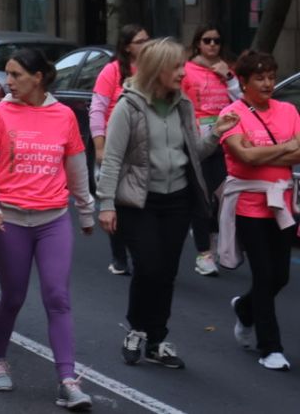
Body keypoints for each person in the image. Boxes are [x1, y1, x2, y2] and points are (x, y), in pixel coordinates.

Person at [0, 48, 96, 410]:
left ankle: (67, 379)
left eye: (15, 75)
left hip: (53, 219)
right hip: (8, 219)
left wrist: (87, 211)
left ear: (38, 77)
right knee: (12, 297)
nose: (8, 81)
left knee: (57, 297)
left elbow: (76, 168)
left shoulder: (64, 116)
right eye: (7, 74)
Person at [96, 37, 220, 369]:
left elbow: (195, 151)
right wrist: (105, 203)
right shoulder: (128, 106)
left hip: (177, 200)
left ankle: (156, 339)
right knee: (148, 266)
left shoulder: (183, 105)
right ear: (157, 70)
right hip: (140, 202)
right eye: (176, 67)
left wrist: (217, 133)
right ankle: (136, 328)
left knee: (166, 273)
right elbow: (112, 160)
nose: (183, 73)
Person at [216, 49, 300, 371]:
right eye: (260, 78)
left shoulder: (288, 110)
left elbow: (298, 152)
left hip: (282, 203)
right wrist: (286, 149)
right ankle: (270, 348)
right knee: (264, 274)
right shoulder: (232, 114)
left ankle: (245, 308)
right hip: (249, 205)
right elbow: (244, 158)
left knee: (280, 276)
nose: (268, 83)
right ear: (243, 81)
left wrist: (265, 153)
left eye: (271, 76)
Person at [90, 22, 149, 275]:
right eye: (140, 41)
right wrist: (100, 147)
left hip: (143, 149)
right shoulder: (112, 71)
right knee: (115, 202)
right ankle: (119, 256)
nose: (147, 45)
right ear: (127, 47)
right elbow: (97, 110)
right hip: (115, 147)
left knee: (140, 203)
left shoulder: (153, 71)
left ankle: (141, 255)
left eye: (149, 40)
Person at [181, 23, 237, 277]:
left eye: (216, 40)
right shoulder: (186, 71)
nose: (212, 45)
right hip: (199, 142)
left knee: (224, 196)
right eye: (207, 40)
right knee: (203, 198)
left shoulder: (227, 70)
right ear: (197, 44)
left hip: (226, 140)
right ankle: (204, 253)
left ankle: (215, 241)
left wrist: (230, 77)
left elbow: (241, 102)